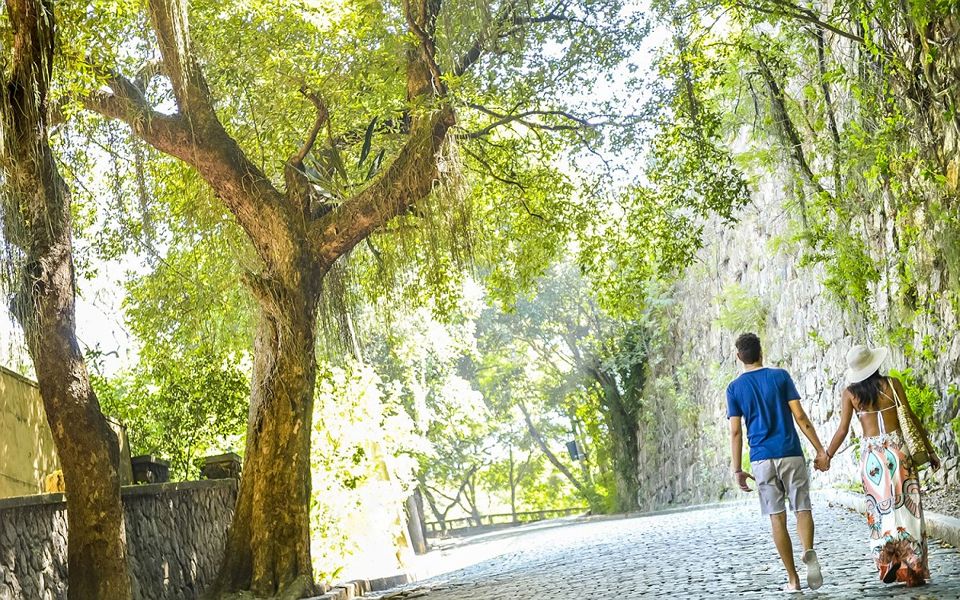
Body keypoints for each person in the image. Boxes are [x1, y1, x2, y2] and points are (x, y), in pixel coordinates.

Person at [819, 344, 941, 586]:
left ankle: (888, 559)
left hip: (872, 458)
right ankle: (912, 568)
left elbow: (843, 430)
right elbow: (911, 418)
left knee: (881, 512)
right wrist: (929, 450)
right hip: (899, 451)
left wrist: (827, 456)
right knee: (908, 508)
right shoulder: (892, 384)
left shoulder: (850, 394)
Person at [727, 332, 827, 592]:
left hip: (761, 460)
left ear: (739, 357)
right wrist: (820, 449)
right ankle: (808, 551)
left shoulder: (734, 388)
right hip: (790, 452)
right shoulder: (780, 377)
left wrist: (737, 469)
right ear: (762, 352)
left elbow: (735, 432)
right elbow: (801, 416)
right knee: (802, 507)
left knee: (776, 517)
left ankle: (793, 580)